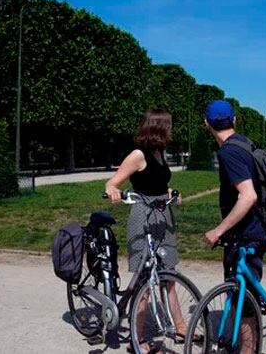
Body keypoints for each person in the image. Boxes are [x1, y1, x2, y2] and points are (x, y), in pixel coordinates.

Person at [105, 109, 186, 353]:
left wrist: (171, 191)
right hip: (143, 217)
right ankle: (136, 338)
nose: (172, 131)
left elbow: (159, 182)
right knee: (144, 281)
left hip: (163, 216)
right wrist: (113, 190)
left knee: (168, 274)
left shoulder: (159, 152)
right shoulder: (138, 155)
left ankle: (181, 326)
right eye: (169, 126)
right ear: (160, 128)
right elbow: (112, 181)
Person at [201, 100, 266, 354]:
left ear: (206, 124)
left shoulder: (229, 152)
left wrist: (218, 230)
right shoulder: (245, 143)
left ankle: (248, 350)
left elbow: (248, 195)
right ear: (235, 120)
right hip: (251, 229)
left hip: (246, 235)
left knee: (246, 297)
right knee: (243, 293)